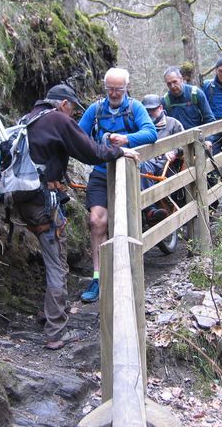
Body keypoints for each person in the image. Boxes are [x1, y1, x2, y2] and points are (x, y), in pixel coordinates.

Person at [13, 84, 139, 349]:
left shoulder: (29, 117)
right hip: (42, 201)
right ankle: (55, 332)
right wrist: (118, 151)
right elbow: (90, 151)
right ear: (64, 104)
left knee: (54, 256)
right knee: (56, 263)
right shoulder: (57, 119)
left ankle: (48, 313)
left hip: (23, 199)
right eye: (72, 109)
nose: (72, 115)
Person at [78, 68, 157, 303]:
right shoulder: (96, 110)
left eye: (118, 89)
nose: (113, 93)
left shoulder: (135, 108)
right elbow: (79, 135)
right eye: (110, 89)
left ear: (126, 88)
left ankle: (127, 275)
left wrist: (126, 140)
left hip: (128, 174)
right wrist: (100, 142)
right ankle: (98, 278)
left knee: (125, 223)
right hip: (102, 172)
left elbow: (151, 132)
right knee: (96, 221)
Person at [139, 94, 184, 222]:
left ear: (161, 107)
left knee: (144, 166)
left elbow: (184, 143)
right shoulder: (140, 126)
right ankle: (148, 211)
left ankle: (149, 209)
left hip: (168, 166)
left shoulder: (173, 123)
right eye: (146, 111)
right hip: (145, 166)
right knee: (142, 165)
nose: (150, 113)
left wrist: (175, 152)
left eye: (152, 110)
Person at [162, 66, 215, 131]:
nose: (172, 86)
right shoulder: (165, 101)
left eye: (174, 82)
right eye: (169, 84)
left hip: (198, 136)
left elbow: (209, 119)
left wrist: (209, 139)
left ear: (181, 79)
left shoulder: (196, 94)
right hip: (177, 139)